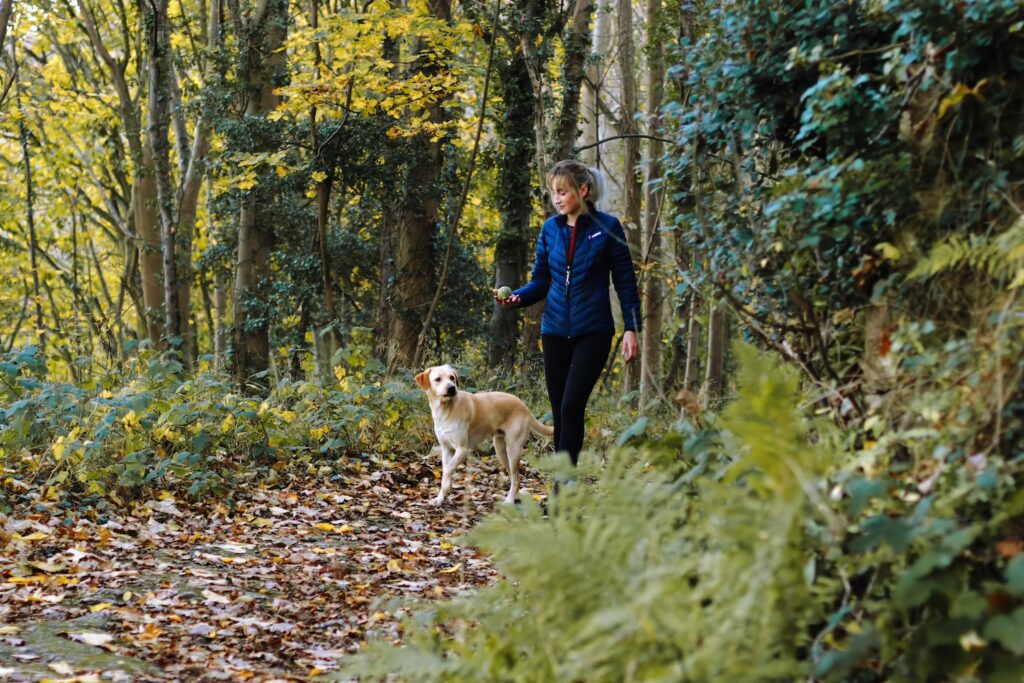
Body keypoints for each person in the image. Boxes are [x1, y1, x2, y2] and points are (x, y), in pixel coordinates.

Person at [494, 159, 641, 467]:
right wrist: (516, 298)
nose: (557, 198)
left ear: (583, 191)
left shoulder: (608, 228)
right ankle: (564, 484)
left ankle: (564, 485)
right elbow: (541, 281)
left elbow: (625, 282)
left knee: (573, 405)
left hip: (594, 331)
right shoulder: (550, 230)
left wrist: (631, 328)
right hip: (555, 331)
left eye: (562, 191)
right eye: (553, 193)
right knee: (560, 408)